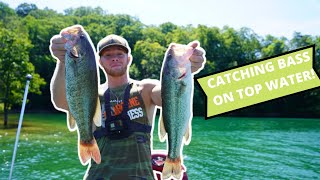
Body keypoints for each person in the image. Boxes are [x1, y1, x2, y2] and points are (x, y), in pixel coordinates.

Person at [50, 29, 206, 179]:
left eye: (120, 53)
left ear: (129, 58)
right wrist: (63, 61)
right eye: (108, 55)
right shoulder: (90, 94)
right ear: (99, 62)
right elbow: (60, 101)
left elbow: (167, 96)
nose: (115, 58)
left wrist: (187, 69)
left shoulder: (146, 89)